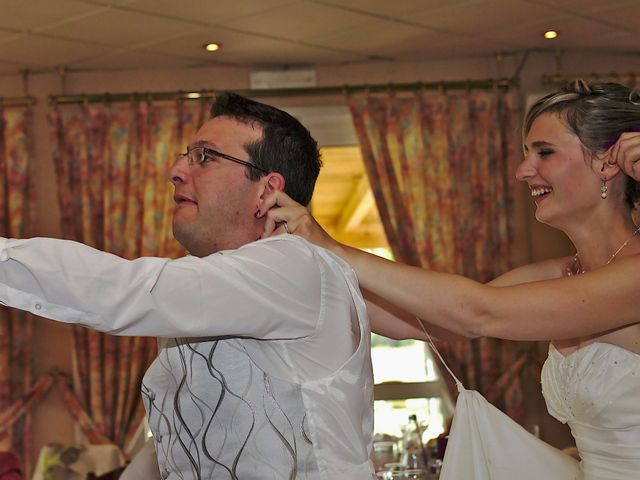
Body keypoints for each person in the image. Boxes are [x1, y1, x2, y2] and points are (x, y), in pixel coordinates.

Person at [258, 80, 640, 479]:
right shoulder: (560, 273)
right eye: (526, 154)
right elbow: (425, 321)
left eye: (544, 152)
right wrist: (300, 265)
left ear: (606, 163)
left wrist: (334, 248)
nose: (523, 171)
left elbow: (478, 312)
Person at [0, 93, 377, 479]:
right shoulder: (215, 282)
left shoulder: (293, 265)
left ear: (266, 190)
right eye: (186, 155)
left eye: (205, 156)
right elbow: (184, 441)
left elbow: (130, 291)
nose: (176, 170)